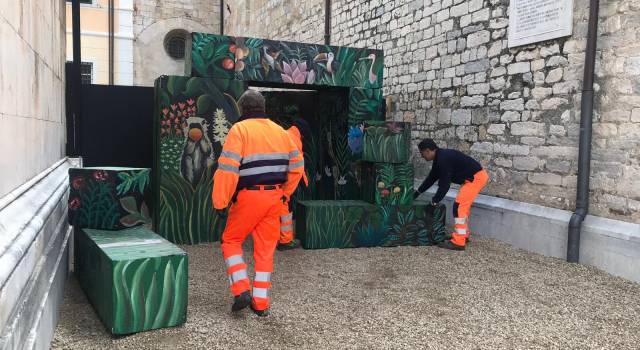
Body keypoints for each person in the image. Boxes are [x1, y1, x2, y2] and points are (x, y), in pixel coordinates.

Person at [212, 90, 305, 316]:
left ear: (242, 109)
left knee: (231, 241)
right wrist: (285, 194)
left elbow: (228, 169)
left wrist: (220, 202)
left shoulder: (239, 130)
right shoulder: (283, 133)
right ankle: (260, 303)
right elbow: (297, 167)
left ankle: (241, 288)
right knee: (265, 251)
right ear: (263, 108)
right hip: (275, 198)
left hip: (248, 197)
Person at [413, 138, 489, 251]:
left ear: (428, 151)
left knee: (459, 208)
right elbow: (431, 178)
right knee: (462, 208)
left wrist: (435, 201)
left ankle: (459, 242)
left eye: (422, 153)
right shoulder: (440, 158)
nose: (422, 156)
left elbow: (444, 185)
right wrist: (417, 193)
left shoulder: (443, 159)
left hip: (475, 179)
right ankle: (463, 235)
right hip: (474, 178)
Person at [277, 118, 311, 251]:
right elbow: (297, 167)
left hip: (273, 177)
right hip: (283, 181)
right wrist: (287, 193)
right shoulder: (295, 140)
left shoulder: (285, 134)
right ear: (302, 134)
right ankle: (285, 241)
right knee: (284, 206)